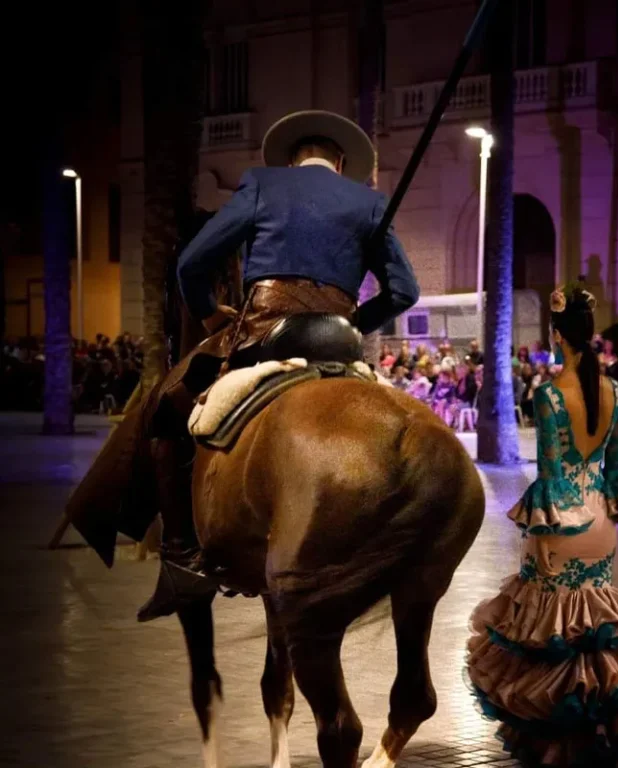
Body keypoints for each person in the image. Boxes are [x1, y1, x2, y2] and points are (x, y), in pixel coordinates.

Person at [66, 110, 420, 621]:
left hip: (265, 331)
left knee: (169, 407)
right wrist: (351, 323)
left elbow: (192, 263)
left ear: (294, 157)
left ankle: (183, 556)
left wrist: (210, 312)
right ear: (341, 162)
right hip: (339, 342)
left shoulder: (261, 184)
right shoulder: (370, 201)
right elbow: (406, 290)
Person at [466, 285, 618, 766]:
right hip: (601, 524)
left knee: (552, 636)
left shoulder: (550, 395)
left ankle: (561, 750)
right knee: (594, 632)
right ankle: (608, 733)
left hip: (561, 524)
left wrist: (543, 539)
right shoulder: (613, 390)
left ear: (556, 337)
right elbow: (616, 470)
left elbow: (550, 475)